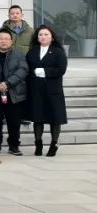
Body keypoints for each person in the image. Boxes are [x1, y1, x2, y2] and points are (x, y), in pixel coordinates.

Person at [0, 30, 28, 155]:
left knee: (14, 121)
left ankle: (14, 146)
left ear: (11, 41)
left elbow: (23, 70)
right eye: (1, 39)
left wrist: (8, 83)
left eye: (6, 39)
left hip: (14, 93)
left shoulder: (19, 54)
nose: (4, 41)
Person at [26, 25, 68, 157]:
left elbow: (61, 69)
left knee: (55, 118)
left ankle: (54, 143)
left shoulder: (58, 51)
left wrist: (45, 71)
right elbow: (26, 67)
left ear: (52, 37)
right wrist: (33, 73)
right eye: (40, 35)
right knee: (37, 118)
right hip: (36, 89)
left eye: (46, 34)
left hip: (53, 90)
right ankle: (38, 143)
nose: (43, 37)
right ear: (37, 37)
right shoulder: (33, 51)